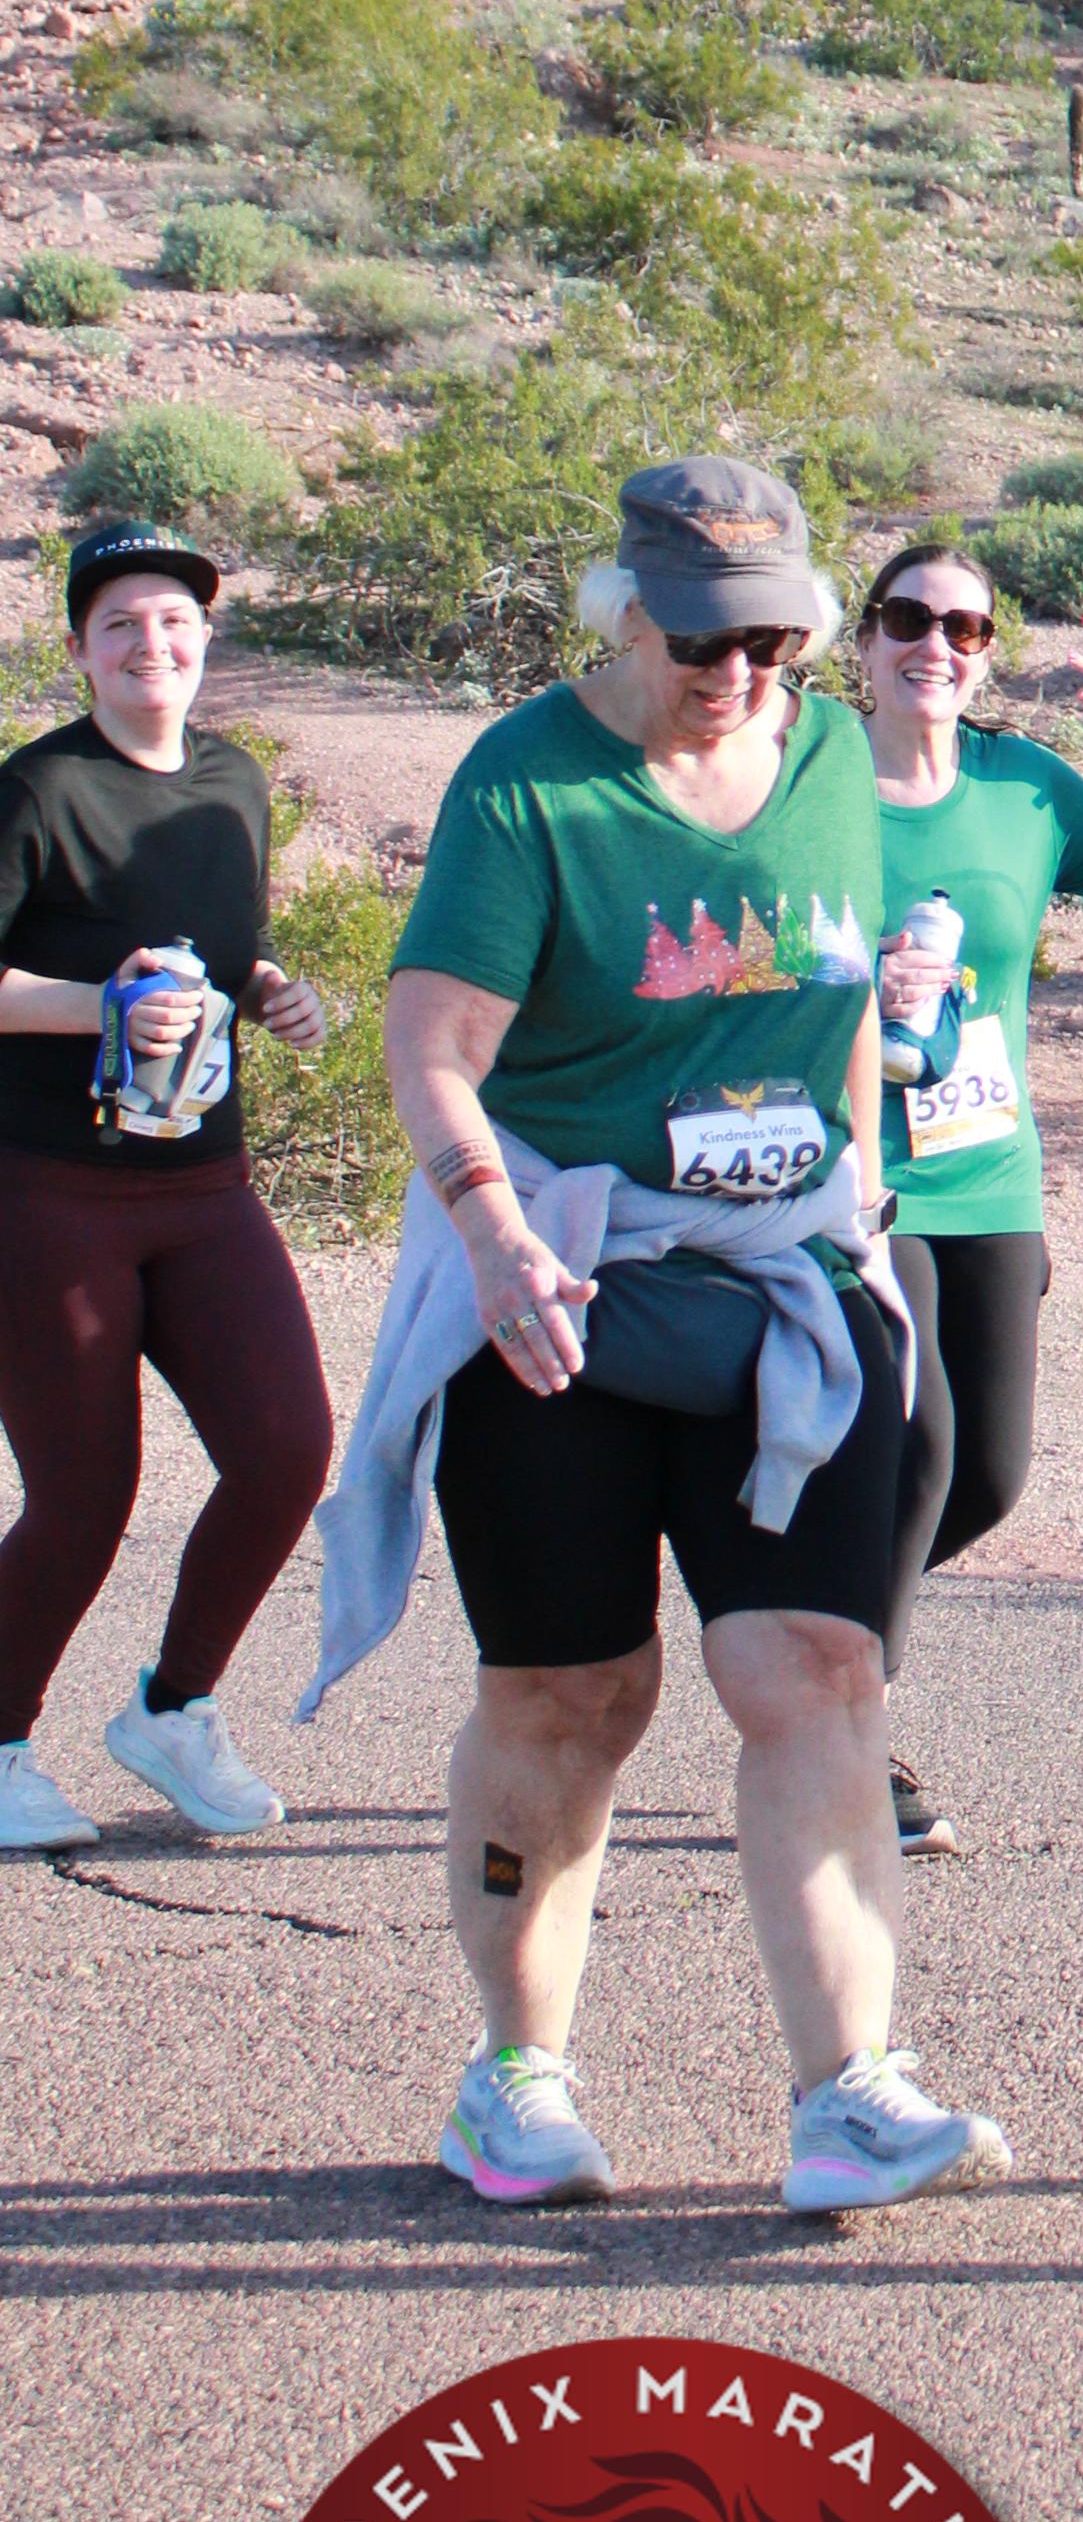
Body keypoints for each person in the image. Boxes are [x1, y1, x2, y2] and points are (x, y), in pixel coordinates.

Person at [323, 453, 1009, 2220]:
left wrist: (859, 1193)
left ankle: (849, 2093)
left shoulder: (831, 755)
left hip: (783, 1280)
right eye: (702, 641)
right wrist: (488, 1232)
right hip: (565, 1283)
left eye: (772, 642)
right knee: (573, 1696)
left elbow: (840, 996)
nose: (738, 676)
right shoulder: (529, 781)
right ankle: (514, 2077)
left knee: (818, 1673)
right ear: (625, 613)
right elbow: (433, 1043)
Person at [858, 531, 1083, 1852]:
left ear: (989, 654)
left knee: (988, 1477)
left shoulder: (1023, 787)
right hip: (857, 1170)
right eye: (909, 619)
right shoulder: (809, 779)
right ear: (864, 640)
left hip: (990, 1173)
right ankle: (846, 1726)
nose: (936, 647)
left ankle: (801, 1629)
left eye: (966, 629)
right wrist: (857, 980)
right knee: (921, 1440)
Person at [0, 519, 333, 1855]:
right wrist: (103, 1005)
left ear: (207, 638)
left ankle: (173, 1709)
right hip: (49, 1196)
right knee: (86, 1499)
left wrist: (275, 991)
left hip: (203, 1186)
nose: (154, 643)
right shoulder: (38, 790)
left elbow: (225, 952)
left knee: (287, 1449)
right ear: (81, 650)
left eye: (176, 620)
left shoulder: (232, 783)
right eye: (122, 624)